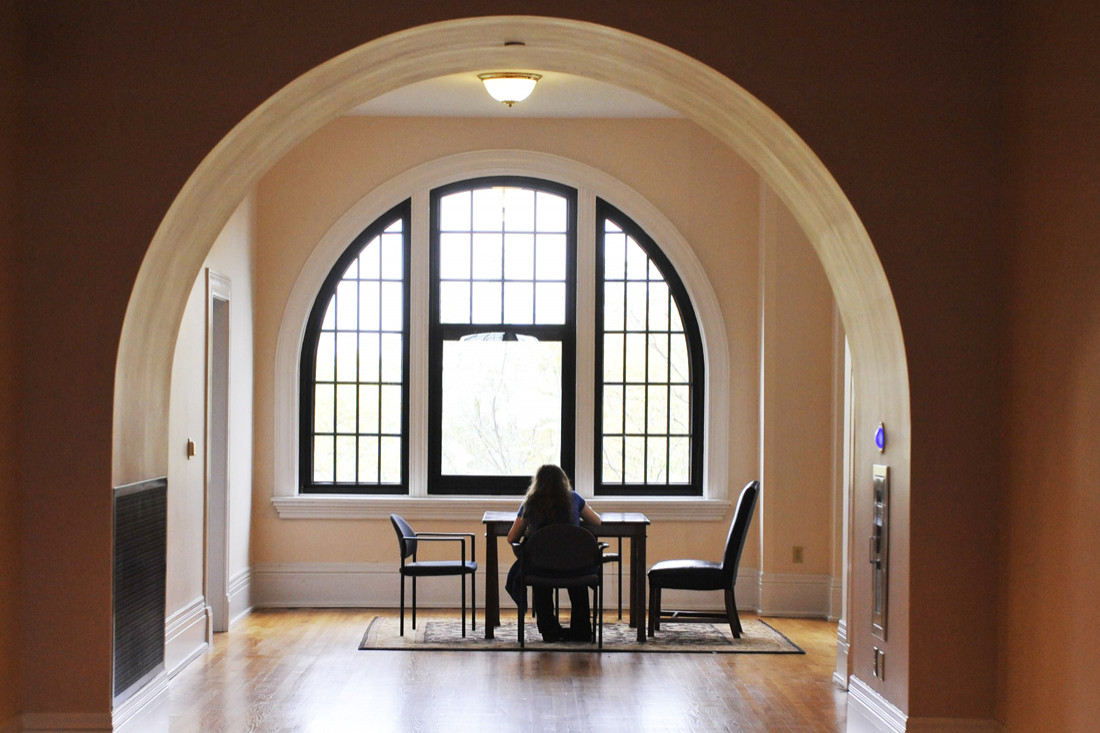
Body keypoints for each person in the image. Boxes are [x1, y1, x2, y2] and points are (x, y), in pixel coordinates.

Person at [505, 464, 601, 642]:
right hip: (575, 566)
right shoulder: (574, 499)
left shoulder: (530, 503)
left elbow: (512, 537)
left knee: (541, 578)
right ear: (563, 481)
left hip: (541, 568)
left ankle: (549, 630)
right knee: (577, 581)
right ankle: (581, 631)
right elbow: (597, 521)